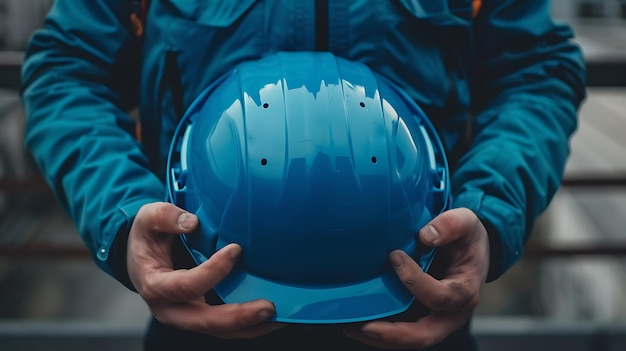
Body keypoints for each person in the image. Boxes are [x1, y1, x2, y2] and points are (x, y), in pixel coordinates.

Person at [20, 0, 586, 350]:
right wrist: (123, 218)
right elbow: (68, 72)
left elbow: (534, 72)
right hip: (199, 302)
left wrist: (489, 210)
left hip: (419, 302)